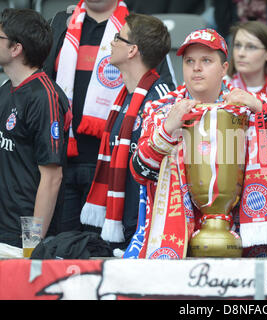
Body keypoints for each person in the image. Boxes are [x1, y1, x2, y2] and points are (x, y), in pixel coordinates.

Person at [123, 28, 267, 259]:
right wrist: (167, 129)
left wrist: (261, 111)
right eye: (189, 61)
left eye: (206, 60)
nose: (196, 68)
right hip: (176, 234)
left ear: (224, 68)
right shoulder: (162, 108)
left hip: (243, 236)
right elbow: (139, 170)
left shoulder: (246, 105)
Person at [42, 0, 176, 234]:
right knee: (64, 250)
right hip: (64, 158)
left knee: (101, 248)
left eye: (118, 39)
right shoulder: (60, 23)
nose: (114, 43)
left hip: (114, 165)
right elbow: (42, 86)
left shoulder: (138, 30)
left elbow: (162, 94)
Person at [79, 13, 172, 249]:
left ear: (132, 51)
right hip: (120, 230)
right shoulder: (123, 98)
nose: (111, 42)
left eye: (118, 38)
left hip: (145, 232)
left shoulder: (161, 100)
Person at [0, 9, 70, 247]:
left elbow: (52, 177)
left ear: (16, 48)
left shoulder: (44, 97)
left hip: (20, 237)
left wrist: (31, 243)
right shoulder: (6, 88)